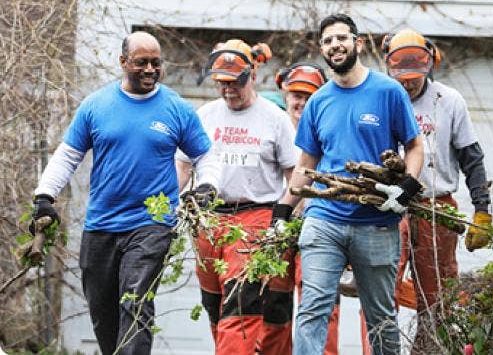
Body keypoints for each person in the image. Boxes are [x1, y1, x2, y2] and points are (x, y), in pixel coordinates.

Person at [31, 31, 219, 355]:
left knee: (135, 301)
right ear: (123, 62)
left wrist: (206, 186)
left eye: (156, 63)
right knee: (104, 316)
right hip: (101, 224)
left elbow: (205, 155)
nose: (150, 70)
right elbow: (68, 155)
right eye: (141, 62)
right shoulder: (96, 105)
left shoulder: (176, 108)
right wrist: (45, 197)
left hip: (153, 222)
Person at [272, 14, 424, 355]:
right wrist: (283, 210)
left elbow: (414, 146)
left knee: (381, 318)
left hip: (377, 223)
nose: (334, 45)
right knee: (312, 310)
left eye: (341, 37)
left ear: (356, 43)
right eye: (327, 41)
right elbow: (306, 164)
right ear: (323, 50)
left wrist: (408, 187)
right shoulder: (318, 102)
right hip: (324, 219)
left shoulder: (388, 92)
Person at [176, 39, 299, 355]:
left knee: (240, 303)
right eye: (222, 84)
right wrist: (165, 206)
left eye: (235, 82)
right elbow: (183, 167)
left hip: (256, 217)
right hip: (209, 218)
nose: (229, 90)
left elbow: (294, 175)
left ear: (253, 75)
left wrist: (287, 218)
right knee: (214, 304)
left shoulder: (274, 118)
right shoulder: (205, 115)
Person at [381, 29, 492, 352]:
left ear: (430, 65)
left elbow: (472, 159)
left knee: (436, 295)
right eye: (403, 76)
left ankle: (427, 349)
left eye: (415, 76)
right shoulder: (384, 97)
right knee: (380, 286)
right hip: (390, 204)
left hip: (437, 205)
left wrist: (481, 208)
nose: (409, 83)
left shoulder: (449, 100)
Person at [275, 62, 341, 355]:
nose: (301, 102)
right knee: (272, 308)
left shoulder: (332, 127)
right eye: (296, 94)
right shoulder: (272, 124)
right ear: (285, 94)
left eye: (309, 95)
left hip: (321, 227)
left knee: (321, 306)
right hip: (277, 226)